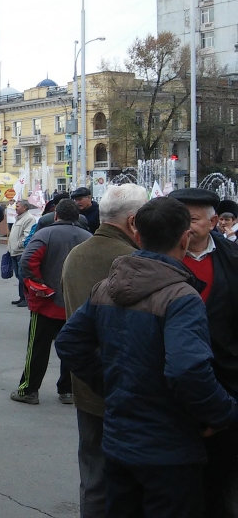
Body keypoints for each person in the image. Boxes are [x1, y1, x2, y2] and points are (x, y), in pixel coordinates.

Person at [56, 197, 238, 517]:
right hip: (169, 449)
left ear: (138, 236)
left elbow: (70, 341)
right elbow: (187, 370)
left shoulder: (105, 288)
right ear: (184, 238)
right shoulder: (181, 297)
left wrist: (112, 385)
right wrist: (223, 413)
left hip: (119, 440)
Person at [59, 183, 147, 518]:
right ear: (134, 221)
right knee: (128, 481)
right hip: (125, 387)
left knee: (93, 475)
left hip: (86, 383)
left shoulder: (78, 253)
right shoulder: (129, 260)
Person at [169, 187, 238, 515]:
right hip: (169, 390)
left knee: (217, 481)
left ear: (213, 222)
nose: (186, 226)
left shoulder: (232, 259)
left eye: (193, 219)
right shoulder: (157, 257)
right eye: (180, 218)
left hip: (224, 384)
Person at [12, 199, 90, 405]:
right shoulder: (89, 238)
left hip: (47, 303)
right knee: (72, 348)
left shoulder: (44, 235)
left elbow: (28, 262)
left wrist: (39, 286)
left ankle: (29, 389)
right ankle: (67, 390)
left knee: (37, 347)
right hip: (77, 304)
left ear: (56, 215)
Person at [7, 200, 39, 307]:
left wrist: (18, 245)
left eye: (18, 206)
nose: (16, 208)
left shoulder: (29, 218)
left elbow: (27, 236)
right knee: (19, 275)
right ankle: (22, 297)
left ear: (25, 207)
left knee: (23, 276)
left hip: (21, 252)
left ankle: (26, 298)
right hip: (14, 252)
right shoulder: (19, 218)